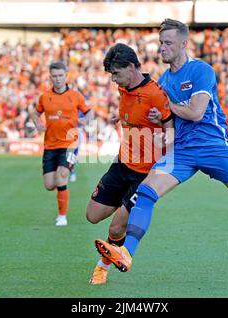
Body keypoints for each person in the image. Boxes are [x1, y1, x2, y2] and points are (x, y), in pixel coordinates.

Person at [94, 19, 228, 279]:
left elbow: (196, 113)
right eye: (161, 43)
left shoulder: (201, 71)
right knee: (146, 192)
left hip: (213, 147)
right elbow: (167, 121)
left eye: (168, 43)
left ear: (184, 44)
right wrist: (157, 125)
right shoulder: (163, 80)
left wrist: (168, 108)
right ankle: (126, 253)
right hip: (182, 150)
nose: (162, 48)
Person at [86, 43, 173, 284]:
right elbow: (132, 118)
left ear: (132, 67)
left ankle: (103, 267)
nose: (114, 80)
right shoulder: (125, 90)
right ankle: (124, 220)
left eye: (116, 73)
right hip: (122, 164)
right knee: (92, 215)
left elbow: (171, 132)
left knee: (115, 229)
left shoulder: (155, 94)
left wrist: (162, 162)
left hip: (144, 176)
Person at [30, 61, 93, 226]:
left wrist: (85, 120)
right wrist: (37, 124)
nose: (58, 79)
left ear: (66, 76)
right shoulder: (45, 97)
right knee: (49, 184)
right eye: (54, 76)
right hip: (50, 146)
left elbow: (89, 112)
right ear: (50, 77)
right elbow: (35, 113)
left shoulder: (75, 96)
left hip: (69, 143)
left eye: (60, 76)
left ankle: (62, 216)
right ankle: (69, 168)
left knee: (61, 177)